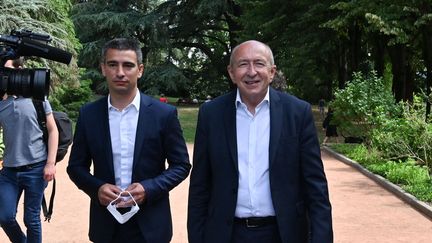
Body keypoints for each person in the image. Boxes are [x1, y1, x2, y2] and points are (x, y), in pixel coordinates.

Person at [187, 40, 333, 243]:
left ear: (272, 72)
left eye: (259, 63)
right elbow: (200, 186)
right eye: (243, 64)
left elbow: (315, 187)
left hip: (284, 233)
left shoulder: (298, 113)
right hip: (226, 234)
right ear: (231, 72)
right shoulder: (211, 114)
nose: (252, 72)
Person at [67, 38, 191, 243]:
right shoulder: (89, 114)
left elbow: (181, 165)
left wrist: (149, 188)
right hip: (106, 225)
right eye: (113, 64)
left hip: (151, 224)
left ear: (140, 70)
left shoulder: (163, 114)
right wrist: (96, 188)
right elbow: (76, 167)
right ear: (103, 68)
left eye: (128, 65)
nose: (120, 72)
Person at [0, 57, 58, 243]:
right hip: (9, 171)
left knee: (31, 219)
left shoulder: (38, 99)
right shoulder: (1, 104)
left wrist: (50, 163)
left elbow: (52, 129)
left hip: (36, 169)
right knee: (5, 216)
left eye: (10, 71)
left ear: (21, 71)